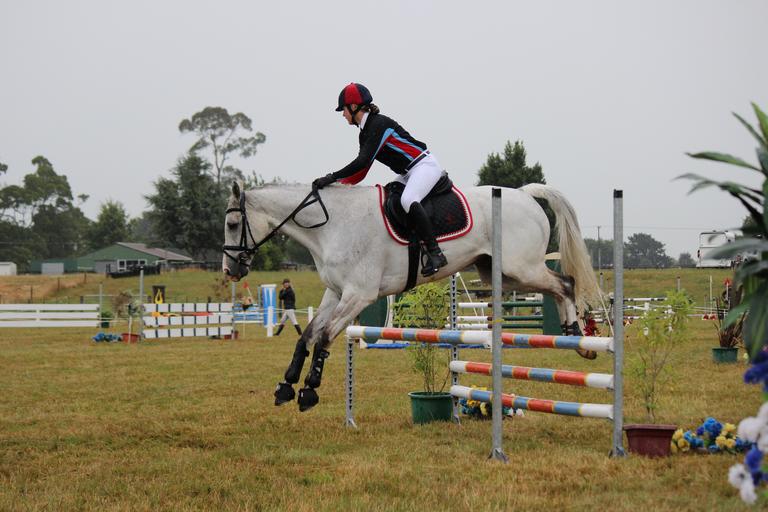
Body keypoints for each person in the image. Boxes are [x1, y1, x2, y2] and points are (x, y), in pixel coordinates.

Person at [312, 82, 448, 277]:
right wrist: (336, 186)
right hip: (408, 173)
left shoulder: (378, 125)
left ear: (354, 107)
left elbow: (362, 162)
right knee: (389, 196)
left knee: (408, 200)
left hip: (424, 165)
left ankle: (436, 253)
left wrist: (331, 176)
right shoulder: (366, 132)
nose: (343, 115)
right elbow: (362, 172)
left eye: (343, 109)